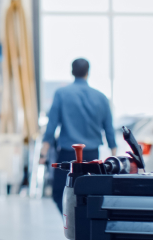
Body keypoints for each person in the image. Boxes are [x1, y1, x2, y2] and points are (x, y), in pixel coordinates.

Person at [39, 58, 117, 214]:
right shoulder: (101, 97)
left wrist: (43, 153)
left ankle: (72, 222)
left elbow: (51, 126)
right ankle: (85, 223)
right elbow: (109, 128)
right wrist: (114, 156)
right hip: (93, 156)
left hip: (68, 156)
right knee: (91, 194)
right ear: (88, 72)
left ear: (72, 72)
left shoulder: (61, 94)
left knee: (59, 192)